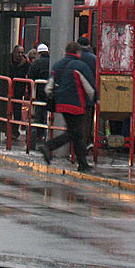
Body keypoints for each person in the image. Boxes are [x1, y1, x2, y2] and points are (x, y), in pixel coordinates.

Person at [38, 41, 95, 172]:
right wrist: (94, 99)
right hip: (76, 103)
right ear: (78, 52)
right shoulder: (81, 66)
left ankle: (83, 164)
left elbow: (48, 88)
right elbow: (89, 88)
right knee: (74, 133)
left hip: (61, 103)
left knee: (77, 134)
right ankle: (48, 146)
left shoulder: (57, 66)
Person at [26, 43, 51, 148]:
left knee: (36, 118)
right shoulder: (52, 61)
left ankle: (33, 140)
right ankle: (46, 138)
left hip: (38, 95)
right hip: (50, 95)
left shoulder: (36, 64)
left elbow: (30, 77)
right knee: (47, 119)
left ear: (38, 53)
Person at [9, 46, 31, 136]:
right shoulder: (8, 62)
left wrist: (28, 92)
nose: (20, 55)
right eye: (19, 52)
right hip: (8, 90)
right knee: (8, 110)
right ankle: (7, 130)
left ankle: (14, 131)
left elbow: (29, 77)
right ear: (14, 53)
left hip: (18, 91)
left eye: (22, 52)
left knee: (17, 111)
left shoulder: (26, 64)